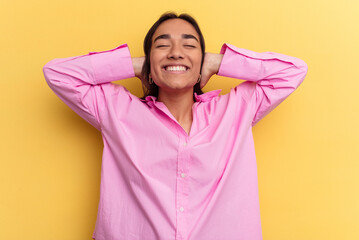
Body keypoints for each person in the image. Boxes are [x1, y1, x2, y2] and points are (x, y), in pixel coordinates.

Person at [43, 12, 308, 240]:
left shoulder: (237, 109)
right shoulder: (114, 109)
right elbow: (57, 73)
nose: (176, 52)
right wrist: (137, 66)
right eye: (162, 45)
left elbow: (293, 70)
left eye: (189, 45)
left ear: (202, 59)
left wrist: (219, 62)